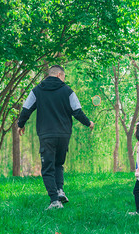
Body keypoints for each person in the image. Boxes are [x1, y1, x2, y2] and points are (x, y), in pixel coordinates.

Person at [17, 65, 94, 210]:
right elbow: (77, 111)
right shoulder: (68, 91)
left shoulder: (37, 90)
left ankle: (55, 201)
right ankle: (59, 191)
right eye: (64, 77)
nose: (64, 80)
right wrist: (88, 123)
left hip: (46, 134)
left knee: (47, 168)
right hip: (64, 134)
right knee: (58, 164)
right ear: (59, 75)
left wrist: (20, 124)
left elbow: (26, 109)